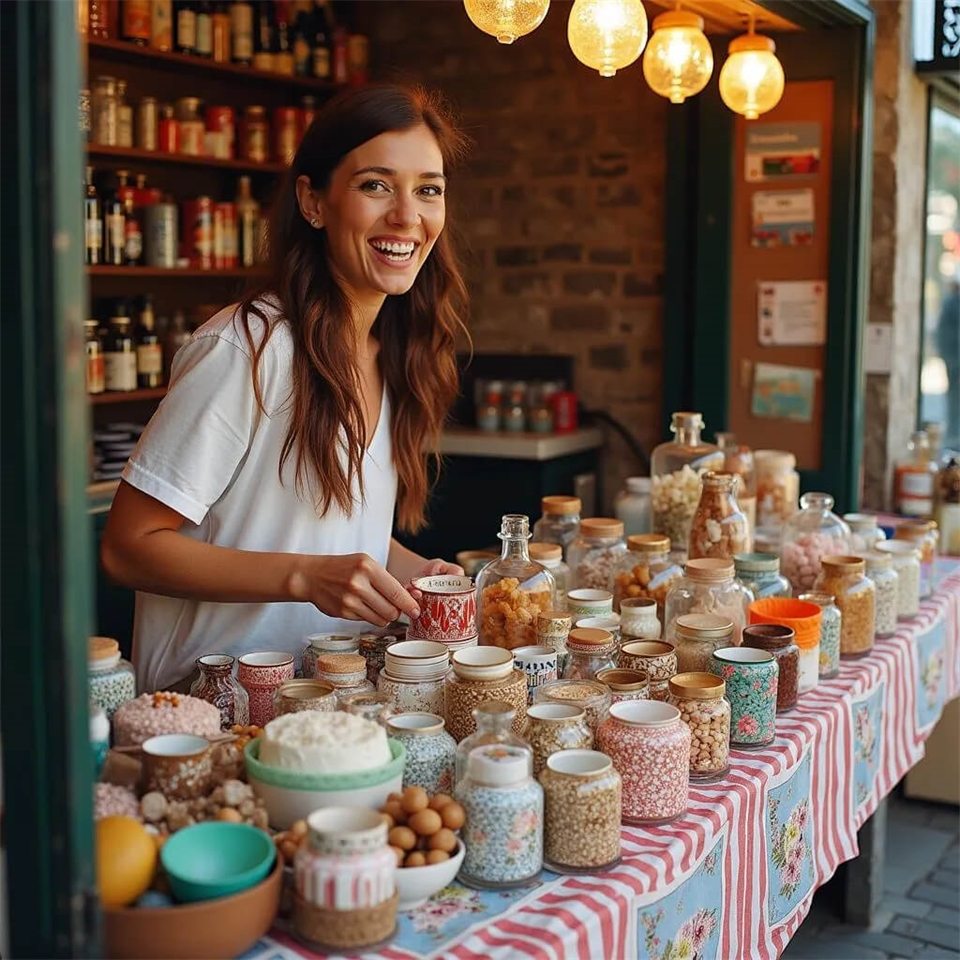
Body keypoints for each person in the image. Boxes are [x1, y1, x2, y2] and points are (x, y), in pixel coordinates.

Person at [102, 85, 469, 692]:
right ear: (313, 201)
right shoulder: (246, 349)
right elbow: (128, 548)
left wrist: (414, 573)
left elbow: (335, 541)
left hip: (328, 702)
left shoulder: (392, 354)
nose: (408, 215)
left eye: (428, 189)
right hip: (215, 709)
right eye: (376, 184)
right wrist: (304, 577)